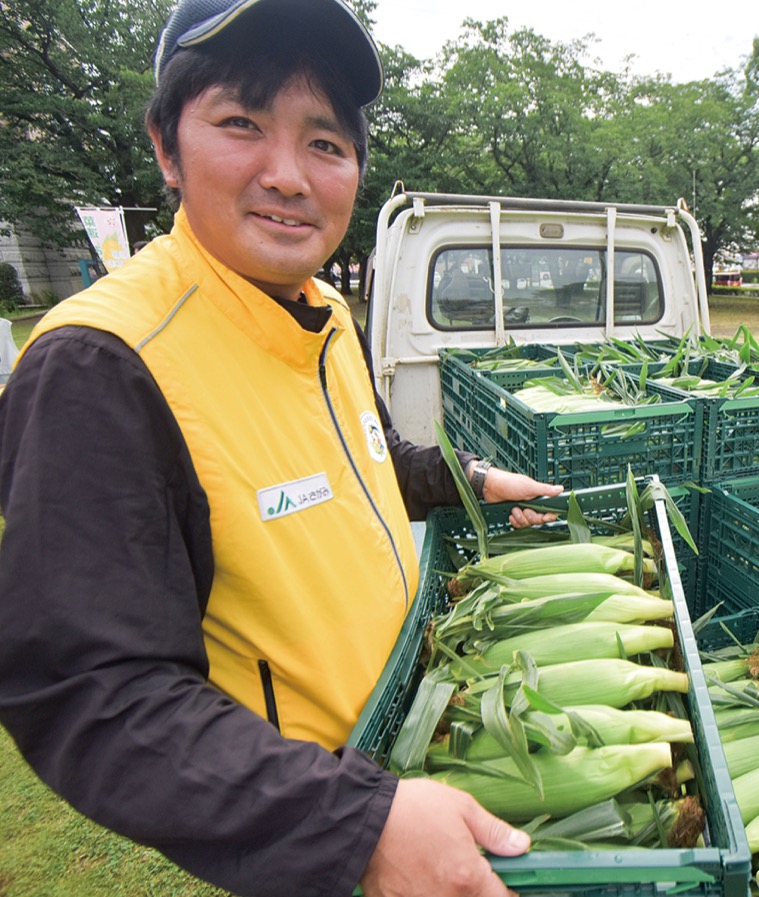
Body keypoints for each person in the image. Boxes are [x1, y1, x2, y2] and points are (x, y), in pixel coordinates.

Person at [0, 1, 564, 895]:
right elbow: (94, 693)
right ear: (165, 145)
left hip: (417, 731)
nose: (288, 175)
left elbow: (367, 458)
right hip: (311, 817)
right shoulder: (100, 365)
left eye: (326, 143)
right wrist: (350, 823)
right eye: (240, 124)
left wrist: (468, 478)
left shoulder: (324, 312)